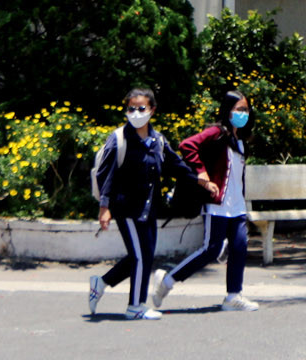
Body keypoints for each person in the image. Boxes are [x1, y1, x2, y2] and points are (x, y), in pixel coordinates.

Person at [89, 88, 203, 320]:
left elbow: (175, 165)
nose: (136, 113)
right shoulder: (119, 139)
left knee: (143, 256)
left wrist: (201, 179)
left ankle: (101, 283)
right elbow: (106, 174)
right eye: (131, 108)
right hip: (125, 208)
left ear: (152, 110)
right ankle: (135, 307)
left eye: (141, 108)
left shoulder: (157, 140)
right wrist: (105, 207)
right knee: (140, 257)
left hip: (148, 208)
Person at [154, 91, 255, 312]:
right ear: (228, 110)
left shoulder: (240, 139)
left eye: (246, 110)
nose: (243, 114)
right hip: (217, 204)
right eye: (239, 109)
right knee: (212, 249)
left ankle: (233, 296)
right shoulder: (217, 133)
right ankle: (167, 280)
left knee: (239, 246)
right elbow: (187, 145)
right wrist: (202, 174)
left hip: (237, 206)